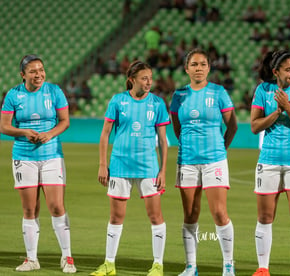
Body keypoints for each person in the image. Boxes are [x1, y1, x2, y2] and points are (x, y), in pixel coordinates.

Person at [90, 61, 170, 276]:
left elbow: (163, 141)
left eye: (150, 78)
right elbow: (105, 134)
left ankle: (157, 265)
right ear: (132, 79)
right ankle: (109, 264)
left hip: (148, 167)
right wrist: (102, 164)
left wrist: (162, 171)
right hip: (119, 165)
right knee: (116, 217)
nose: (149, 82)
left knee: (155, 216)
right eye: (144, 78)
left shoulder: (158, 103)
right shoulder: (118, 101)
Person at [0, 54, 76, 273]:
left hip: (52, 155)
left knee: (56, 206)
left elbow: (65, 121)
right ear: (23, 75)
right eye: (33, 71)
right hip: (24, 157)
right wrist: (23, 131)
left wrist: (49, 134)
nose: (39, 74)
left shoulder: (54, 91)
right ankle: (31, 259)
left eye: (41, 70)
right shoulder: (13, 95)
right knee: (29, 208)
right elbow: (4, 126)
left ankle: (67, 257)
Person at [170, 48, 238, 276]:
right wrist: (189, 145)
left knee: (219, 212)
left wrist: (221, 149)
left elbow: (232, 126)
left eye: (202, 64)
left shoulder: (219, 92)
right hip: (187, 161)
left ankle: (228, 266)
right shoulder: (179, 95)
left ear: (209, 68)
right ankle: (191, 267)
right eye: (194, 64)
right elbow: (177, 127)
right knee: (190, 214)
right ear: (186, 68)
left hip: (214, 161)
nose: (198, 68)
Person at [250, 50, 290, 276]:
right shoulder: (263, 90)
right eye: (288, 69)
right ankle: (263, 268)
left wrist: (288, 107)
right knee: (265, 217)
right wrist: (276, 113)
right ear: (276, 72)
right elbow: (255, 126)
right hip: (268, 160)